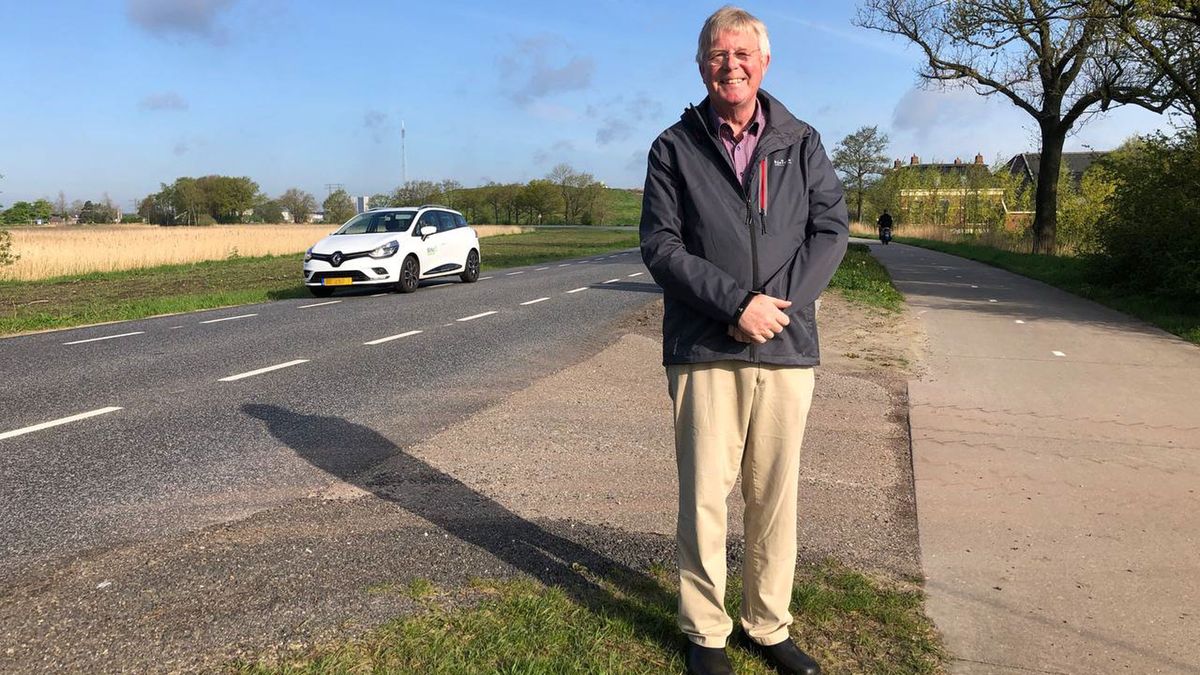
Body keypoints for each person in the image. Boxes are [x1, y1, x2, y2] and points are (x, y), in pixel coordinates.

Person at [639, 6, 848, 675]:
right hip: (705, 344)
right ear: (701, 65)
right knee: (705, 495)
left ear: (764, 62)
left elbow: (830, 231)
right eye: (716, 54)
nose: (730, 65)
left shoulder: (802, 140)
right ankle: (705, 631)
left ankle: (767, 622)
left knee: (774, 493)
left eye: (742, 54)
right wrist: (736, 304)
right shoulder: (673, 146)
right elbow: (661, 246)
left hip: (785, 345)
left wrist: (773, 310)